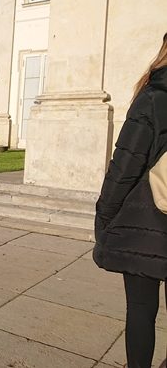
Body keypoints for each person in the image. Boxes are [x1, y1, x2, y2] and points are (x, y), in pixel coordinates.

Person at [94, 32, 167, 368]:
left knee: (141, 310)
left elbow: (125, 164)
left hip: (149, 219)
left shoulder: (155, 95)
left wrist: (105, 218)